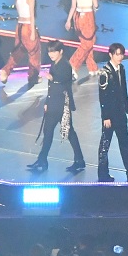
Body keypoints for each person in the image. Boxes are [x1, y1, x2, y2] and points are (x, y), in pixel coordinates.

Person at [28, 41, 86, 173]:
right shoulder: (54, 64)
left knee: (69, 132)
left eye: (54, 51)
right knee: (48, 132)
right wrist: (47, 102)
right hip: (53, 104)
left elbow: (64, 81)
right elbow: (52, 87)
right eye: (49, 52)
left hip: (62, 105)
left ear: (61, 52)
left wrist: (52, 78)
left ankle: (79, 160)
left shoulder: (65, 65)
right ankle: (42, 159)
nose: (51, 54)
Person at [97, 43, 128, 181]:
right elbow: (103, 97)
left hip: (120, 114)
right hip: (110, 116)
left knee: (125, 143)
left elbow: (123, 91)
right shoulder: (105, 73)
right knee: (105, 145)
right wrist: (105, 116)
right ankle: (103, 174)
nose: (120, 57)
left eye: (121, 54)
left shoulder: (121, 69)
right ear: (110, 55)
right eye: (117, 54)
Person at [1, 0, 41, 87]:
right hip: (27, 27)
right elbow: (32, 17)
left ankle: (5, 71)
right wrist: (33, 32)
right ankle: (33, 77)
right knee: (34, 52)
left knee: (19, 51)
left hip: (19, 27)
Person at [64, 0, 100, 75]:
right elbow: (96, 5)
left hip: (77, 16)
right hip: (88, 16)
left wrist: (68, 20)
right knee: (87, 44)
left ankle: (92, 68)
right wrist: (96, 8)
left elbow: (73, 6)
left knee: (88, 41)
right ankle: (73, 64)